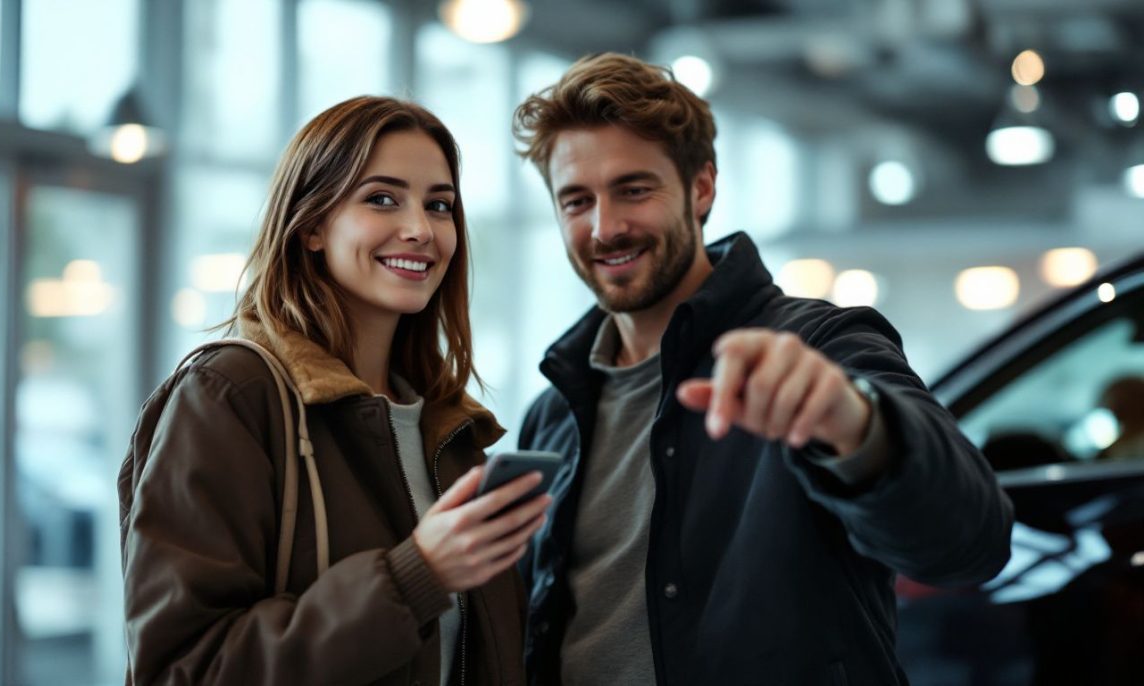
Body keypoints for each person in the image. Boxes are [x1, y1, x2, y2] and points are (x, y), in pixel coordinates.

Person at [511, 53, 1014, 685]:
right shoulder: (554, 412)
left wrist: (856, 428)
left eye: (634, 189)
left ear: (701, 187)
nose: (606, 227)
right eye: (577, 200)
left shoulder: (818, 347)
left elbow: (970, 543)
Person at [120, 97, 549, 685]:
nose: (421, 229)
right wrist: (413, 576)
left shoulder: (449, 428)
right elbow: (183, 668)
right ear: (313, 225)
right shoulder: (230, 397)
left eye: (440, 205)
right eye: (381, 199)